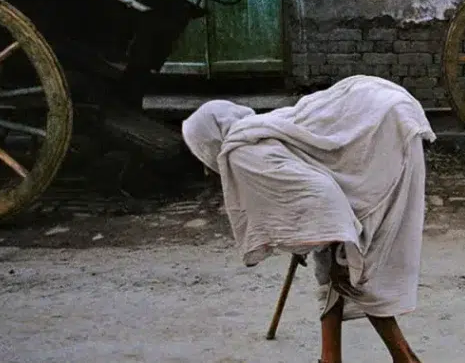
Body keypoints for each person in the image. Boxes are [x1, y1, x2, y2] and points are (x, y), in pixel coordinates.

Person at [181, 75, 435, 363]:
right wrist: (309, 233)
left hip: (383, 130)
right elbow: (307, 187)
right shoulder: (260, 128)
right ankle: (331, 357)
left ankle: (403, 357)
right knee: (333, 266)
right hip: (385, 109)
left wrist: (317, 233)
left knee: (354, 272)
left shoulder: (240, 153)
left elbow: (322, 196)